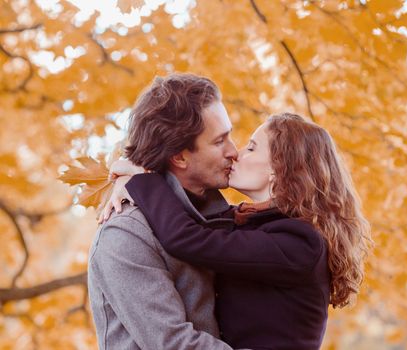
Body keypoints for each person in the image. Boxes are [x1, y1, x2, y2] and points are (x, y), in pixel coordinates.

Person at [105, 113, 372, 350]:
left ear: (278, 170)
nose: (237, 153)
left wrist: (143, 179)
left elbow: (188, 238)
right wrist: (131, 182)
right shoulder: (260, 224)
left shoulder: (299, 243)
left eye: (252, 148)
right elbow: (195, 220)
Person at [88, 73, 238, 349]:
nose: (234, 151)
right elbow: (173, 344)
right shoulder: (126, 235)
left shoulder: (214, 216)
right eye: (219, 142)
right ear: (179, 156)